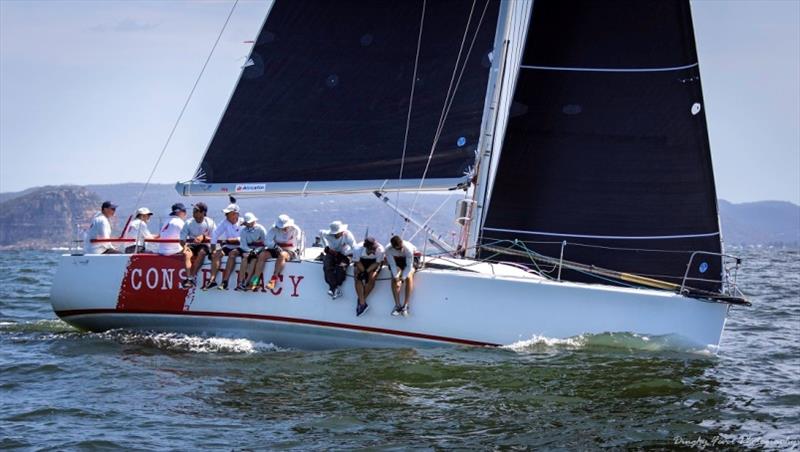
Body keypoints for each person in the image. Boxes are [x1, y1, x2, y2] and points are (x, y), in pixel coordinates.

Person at [203, 203, 243, 290]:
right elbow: (215, 234)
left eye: (228, 213)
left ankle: (225, 282)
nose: (226, 215)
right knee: (216, 254)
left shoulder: (243, 222)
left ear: (235, 214)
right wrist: (212, 250)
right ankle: (212, 280)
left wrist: (231, 240)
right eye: (226, 214)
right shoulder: (225, 222)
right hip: (228, 246)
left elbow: (243, 238)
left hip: (240, 247)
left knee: (232, 254)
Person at [179, 202, 216, 288]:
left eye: (196, 211)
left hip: (204, 245)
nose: (194, 212)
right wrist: (184, 247)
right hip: (192, 244)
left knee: (202, 253)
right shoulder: (188, 222)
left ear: (203, 213)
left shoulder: (210, 222)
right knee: (186, 254)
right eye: (194, 210)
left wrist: (203, 237)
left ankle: (191, 277)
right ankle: (189, 278)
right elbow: (182, 239)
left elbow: (214, 238)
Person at [264, 214, 303, 290]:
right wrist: (275, 246)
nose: (284, 229)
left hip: (290, 251)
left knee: (282, 255)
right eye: (282, 227)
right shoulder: (273, 229)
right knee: (262, 255)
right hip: (276, 249)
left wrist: (298, 251)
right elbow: (267, 241)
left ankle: (273, 279)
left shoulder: (296, 229)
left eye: (285, 227)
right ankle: (255, 280)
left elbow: (300, 242)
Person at [319, 220, 356, 299]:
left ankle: (334, 287)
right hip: (332, 253)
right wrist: (326, 246)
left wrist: (345, 254)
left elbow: (354, 248)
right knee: (327, 265)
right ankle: (334, 288)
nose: (337, 234)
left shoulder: (347, 235)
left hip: (346, 254)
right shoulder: (327, 235)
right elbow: (321, 233)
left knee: (341, 268)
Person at [352, 237, 384, 317]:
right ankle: (363, 303)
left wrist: (366, 272)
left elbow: (377, 263)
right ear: (366, 247)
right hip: (361, 261)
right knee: (357, 276)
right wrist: (362, 271)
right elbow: (357, 261)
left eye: (374, 248)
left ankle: (360, 301)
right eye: (371, 249)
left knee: (372, 277)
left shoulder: (380, 249)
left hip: (374, 262)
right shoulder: (357, 249)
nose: (374, 250)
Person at [386, 235, 417, 317]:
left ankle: (405, 305)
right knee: (394, 278)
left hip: (410, 259)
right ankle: (397, 305)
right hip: (397, 259)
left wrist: (402, 280)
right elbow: (392, 265)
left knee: (409, 276)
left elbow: (408, 266)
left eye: (401, 247)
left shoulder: (408, 249)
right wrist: (396, 278)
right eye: (398, 249)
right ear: (393, 247)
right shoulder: (388, 250)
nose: (400, 249)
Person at [238, 212, 269, 291]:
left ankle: (250, 282)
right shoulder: (243, 231)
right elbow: (243, 245)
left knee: (255, 259)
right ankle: (241, 282)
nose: (249, 224)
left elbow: (265, 243)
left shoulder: (261, 229)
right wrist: (251, 251)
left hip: (258, 251)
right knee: (245, 258)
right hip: (248, 250)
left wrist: (257, 251)